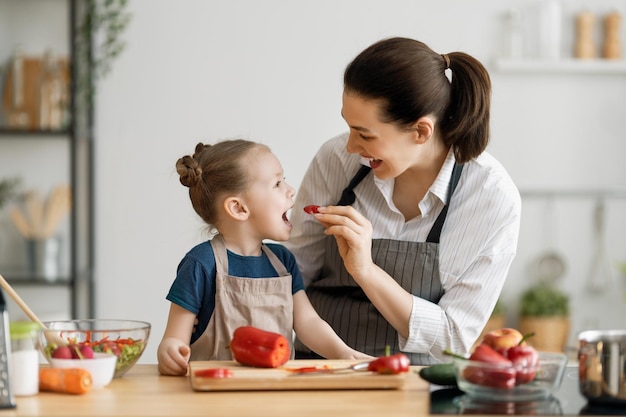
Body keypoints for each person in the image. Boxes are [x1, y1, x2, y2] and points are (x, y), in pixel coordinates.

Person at [285, 37, 522, 365]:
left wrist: (365, 270)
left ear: (421, 132)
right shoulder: (336, 160)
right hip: (319, 368)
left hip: (420, 386)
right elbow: (290, 278)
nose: (351, 146)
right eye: (349, 127)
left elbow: (453, 337)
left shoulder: (489, 196)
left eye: (365, 135)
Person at [157, 140, 371, 376]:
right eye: (277, 183)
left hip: (275, 390)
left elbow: (307, 322)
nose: (291, 190)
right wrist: (170, 351)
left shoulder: (283, 262)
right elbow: (174, 337)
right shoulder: (201, 263)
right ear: (239, 208)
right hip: (215, 393)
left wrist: (341, 352)